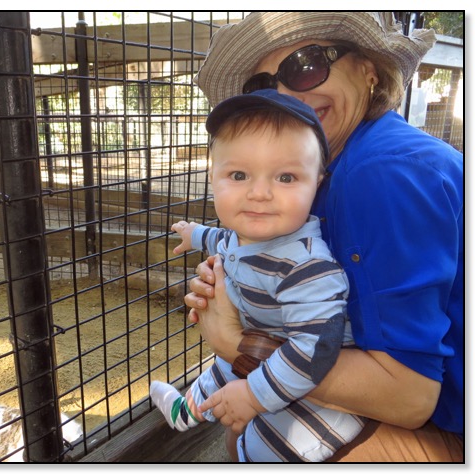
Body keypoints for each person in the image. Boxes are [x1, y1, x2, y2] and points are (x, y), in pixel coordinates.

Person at [184, 12, 464, 462]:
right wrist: (240, 281)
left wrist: (239, 342)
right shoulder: (326, 169)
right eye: (262, 85)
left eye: (306, 63)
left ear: (369, 70)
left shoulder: (379, 174)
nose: (285, 94)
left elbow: (409, 397)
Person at [151, 89, 367, 461]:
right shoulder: (245, 236)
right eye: (238, 175)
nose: (259, 193)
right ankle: (183, 413)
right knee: (215, 373)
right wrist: (193, 234)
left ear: (317, 182)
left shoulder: (306, 266)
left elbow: (315, 348)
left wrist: (253, 395)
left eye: (285, 177)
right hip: (261, 348)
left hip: (318, 399)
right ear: (212, 177)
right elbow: (222, 239)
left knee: (261, 448)